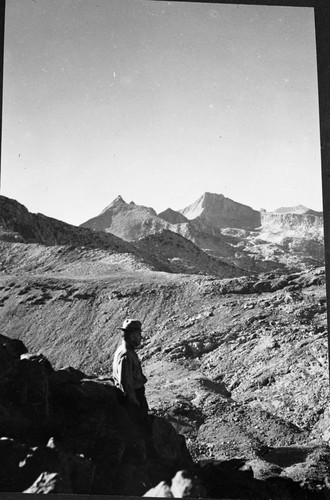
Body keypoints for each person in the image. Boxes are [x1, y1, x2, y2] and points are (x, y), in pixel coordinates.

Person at [112, 318, 149, 422]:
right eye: (138, 335)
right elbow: (125, 381)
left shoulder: (124, 350)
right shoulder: (126, 355)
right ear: (132, 336)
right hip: (134, 396)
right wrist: (134, 401)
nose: (140, 337)